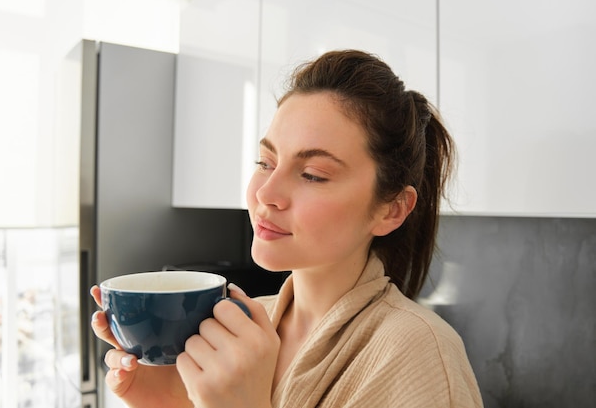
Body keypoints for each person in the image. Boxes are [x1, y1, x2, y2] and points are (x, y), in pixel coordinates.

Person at [90, 49, 483, 408]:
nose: (267, 193)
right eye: (265, 163)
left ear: (392, 209)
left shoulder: (419, 355)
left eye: (312, 174)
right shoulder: (237, 331)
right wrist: (169, 402)